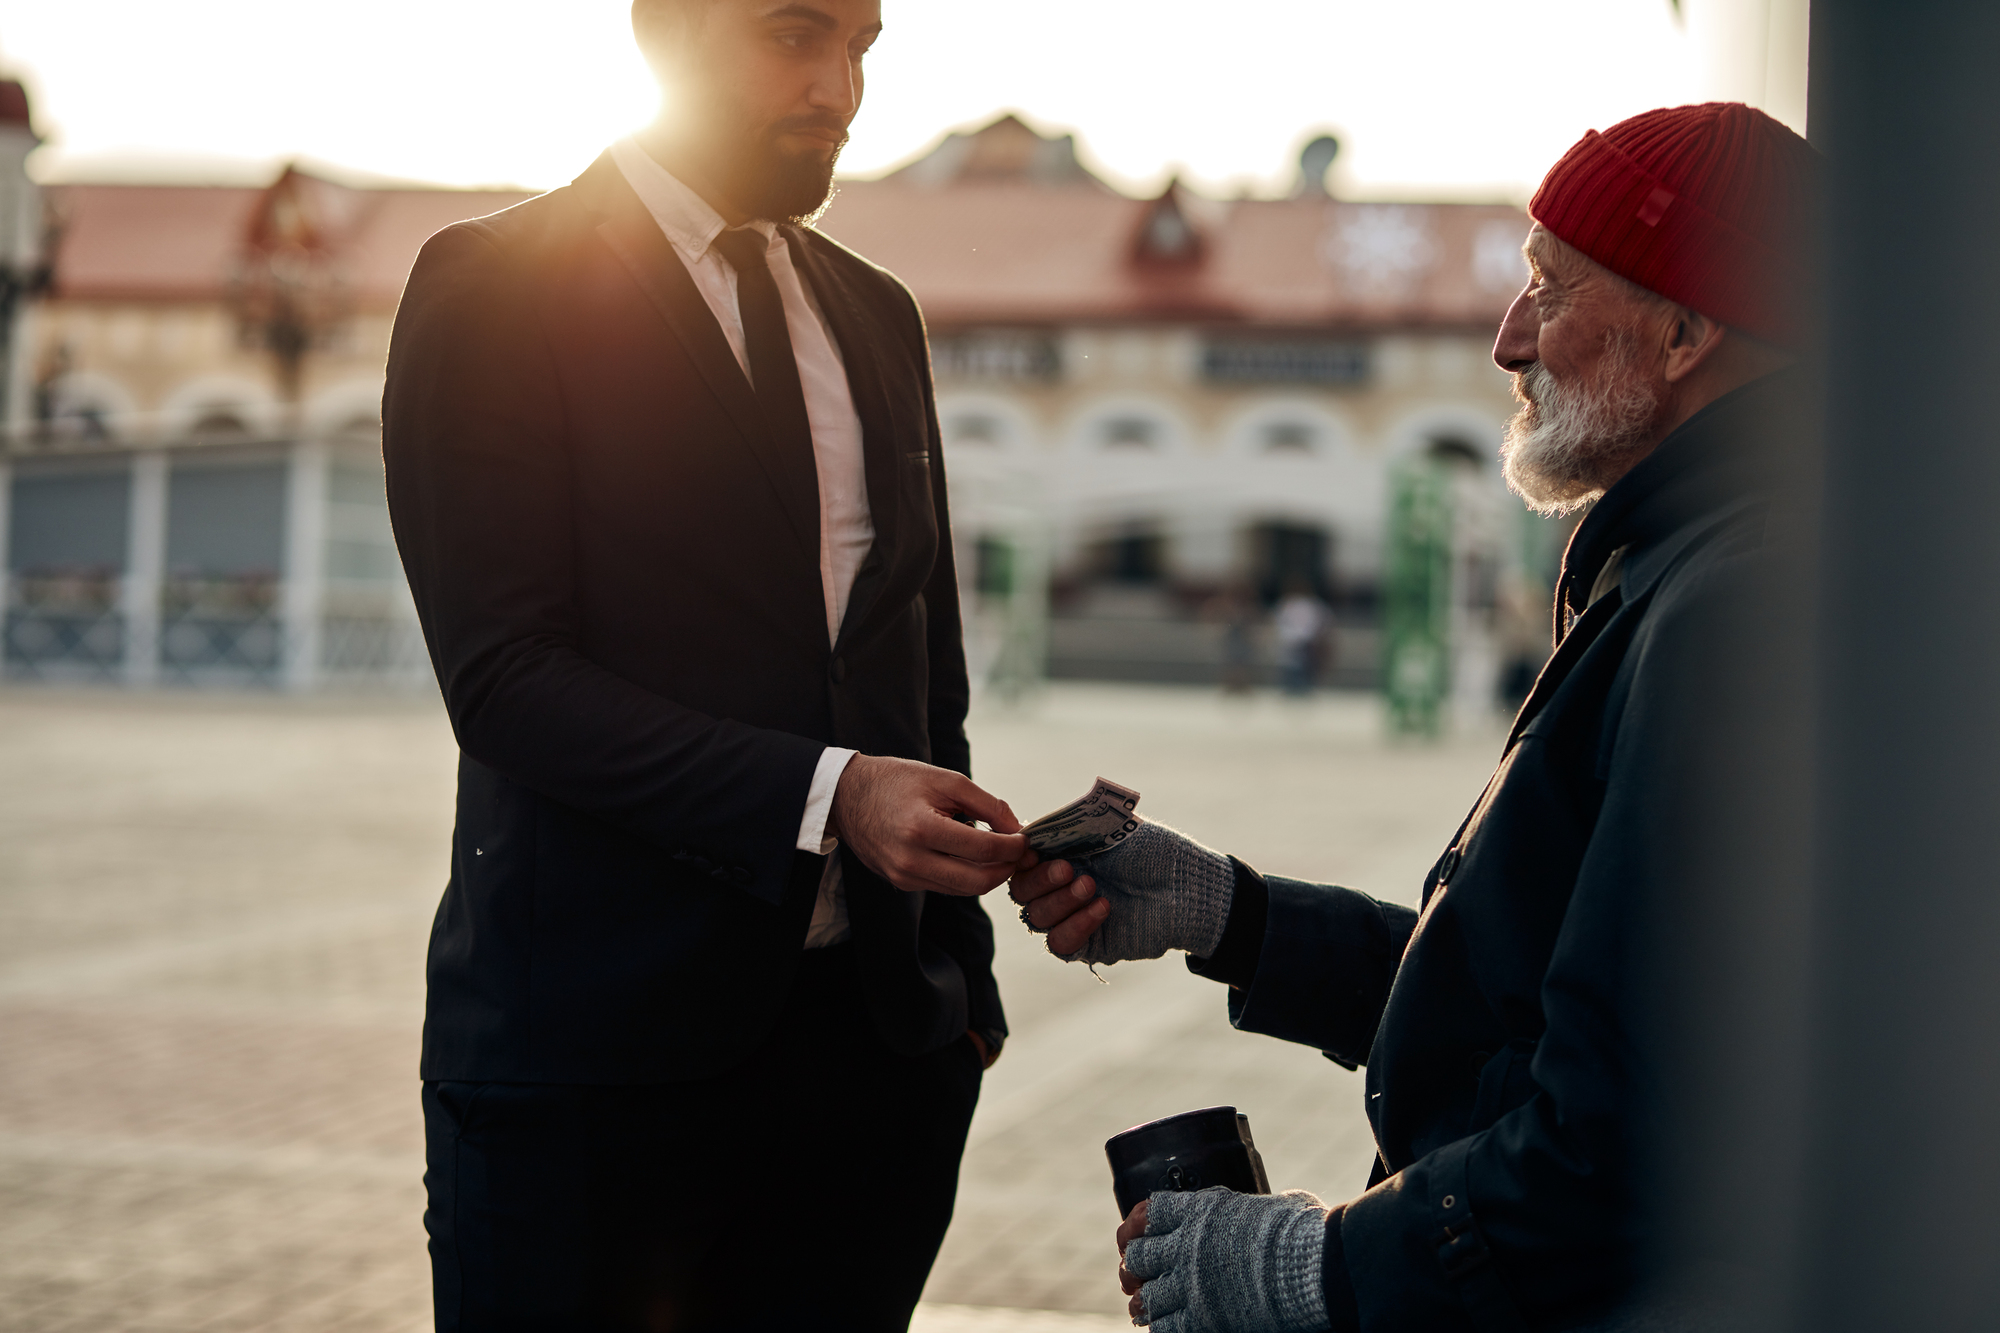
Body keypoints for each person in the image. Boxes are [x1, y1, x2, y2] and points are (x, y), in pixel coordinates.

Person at [1010, 103, 1820, 1332]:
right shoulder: (1685, 563)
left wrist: (1323, 1269)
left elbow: (1635, 1129)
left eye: (1547, 292)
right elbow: (1533, 998)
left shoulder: (1737, 602)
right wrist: (1233, 915)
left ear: (1686, 329)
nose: (1507, 339)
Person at [382, 2, 1027, 1328]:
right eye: (794, 35)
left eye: (862, 45)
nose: (839, 87)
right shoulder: (494, 284)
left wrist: (958, 985)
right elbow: (504, 675)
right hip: (592, 1076)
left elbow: (923, 673)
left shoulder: (876, 315)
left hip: (872, 1077)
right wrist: (832, 794)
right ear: (662, 33)